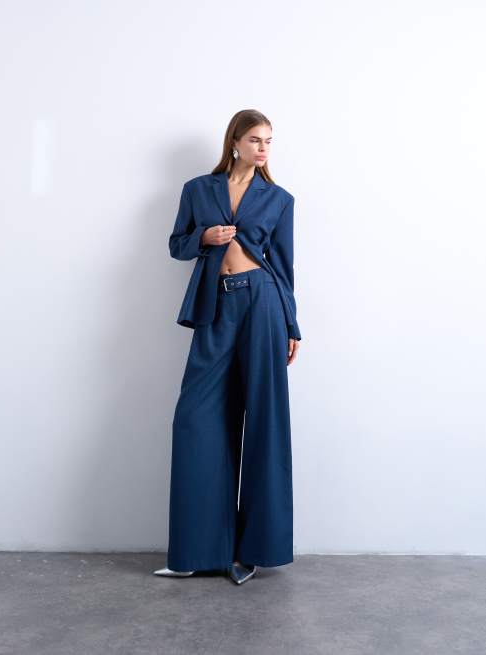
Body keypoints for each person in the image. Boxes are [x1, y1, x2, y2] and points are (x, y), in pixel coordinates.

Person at [154, 109, 301, 585]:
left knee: (263, 422)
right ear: (234, 142)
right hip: (215, 306)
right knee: (195, 420)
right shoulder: (198, 189)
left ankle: (252, 551)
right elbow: (177, 244)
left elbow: (284, 267)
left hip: (264, 305)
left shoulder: (278, 199)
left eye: (269, 141)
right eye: (256, 139)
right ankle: (197, 551)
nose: (264, 148)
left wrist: (292, 326)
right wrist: (204, 237)